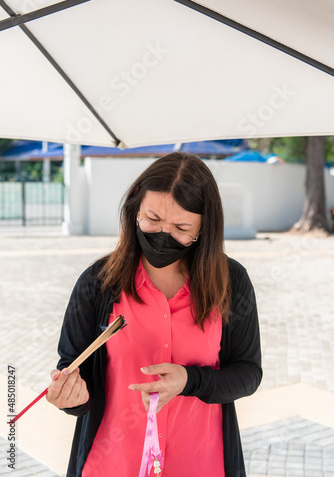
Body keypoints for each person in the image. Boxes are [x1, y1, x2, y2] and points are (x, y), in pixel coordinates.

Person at [46, 152, 262, 477]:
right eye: (153, 219)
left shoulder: (232, 282)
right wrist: (71, 397)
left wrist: (191, 381)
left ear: (205, 228)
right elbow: (75, 370)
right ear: (134, 209)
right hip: (111, 464)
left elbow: (247, 374)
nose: (163, 234)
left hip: (200, 463)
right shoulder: (96, 284)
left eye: (181, 227)